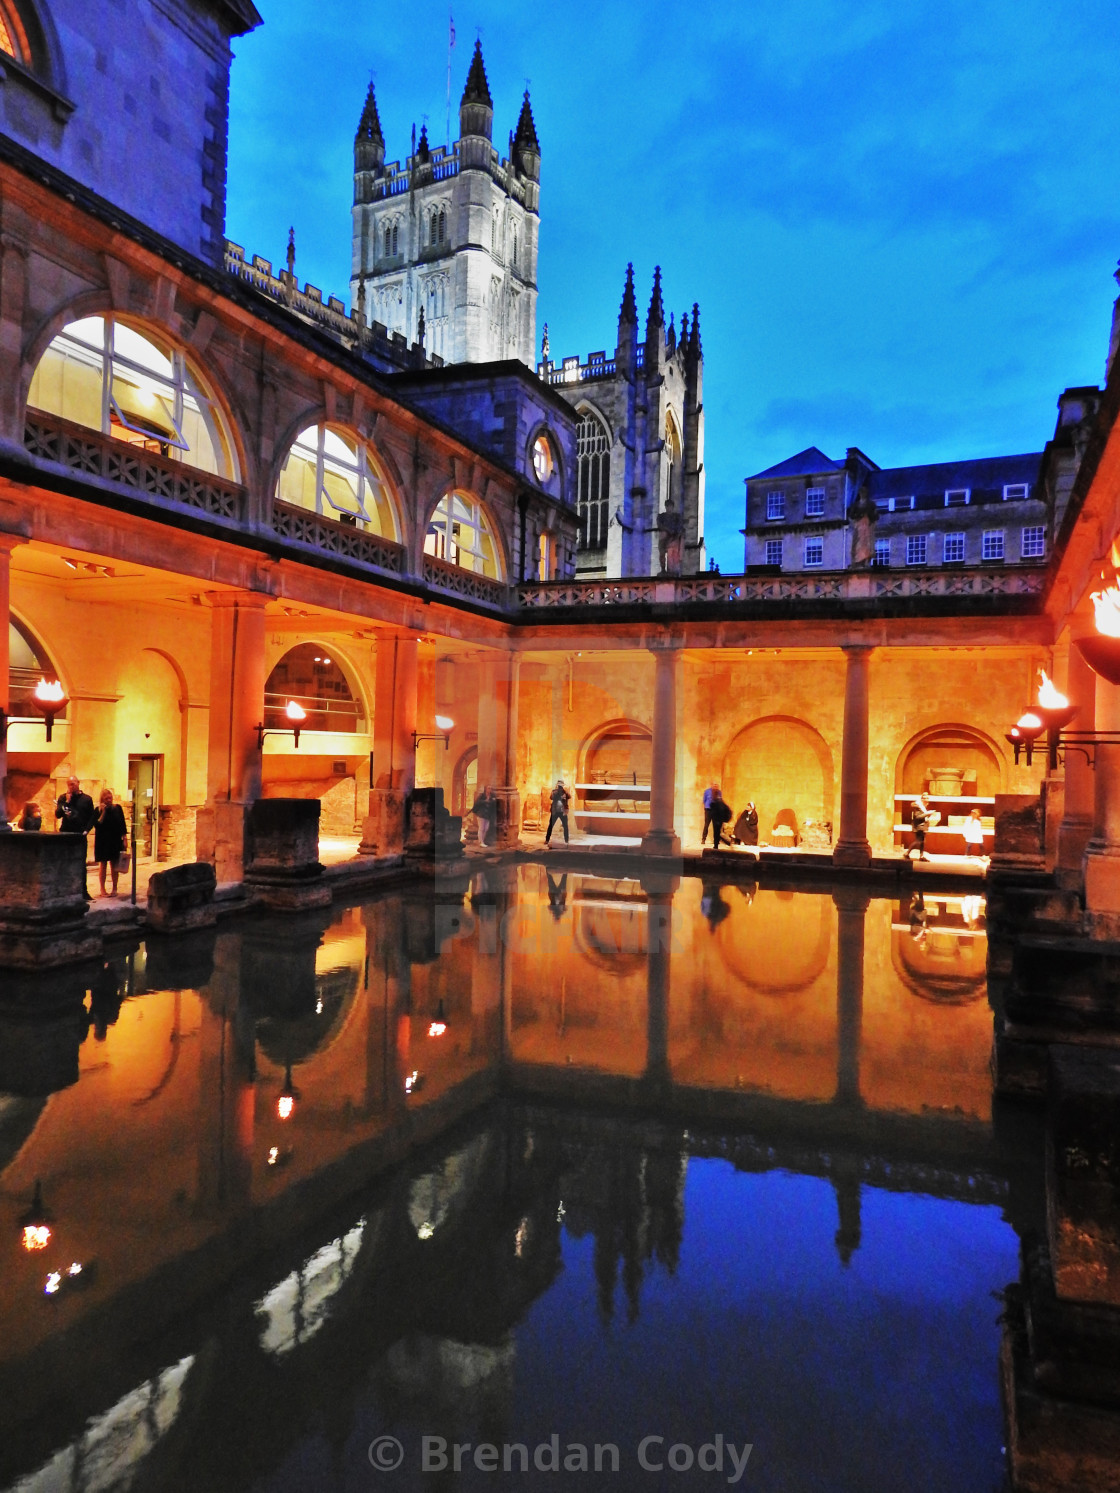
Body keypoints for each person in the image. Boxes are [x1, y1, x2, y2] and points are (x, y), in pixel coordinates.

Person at [93, 788, 128, 896]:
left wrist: (125, 839)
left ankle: (114, 888)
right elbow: (97, 825)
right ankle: (102, 889)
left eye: (110, 797)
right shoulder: (97, 810)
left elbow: (122, 824)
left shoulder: (118, 808)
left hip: (115, 839)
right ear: (102, 799)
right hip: (102, 840)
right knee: (103, 864)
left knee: (114, 864)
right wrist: (103, 812)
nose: (109, 800)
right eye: (106, 798)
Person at [545, 780, 571, 845]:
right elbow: (551, 797)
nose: (560, 788)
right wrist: (556, 792)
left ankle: (566, 840)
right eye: (559, 786)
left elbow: (569, 796)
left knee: (565, 826)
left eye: (561, 786)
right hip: (555, 811)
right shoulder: (554, 792)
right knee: (551, 825)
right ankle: (547, 839)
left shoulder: (565, 792)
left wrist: (564, 792)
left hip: (563, 812)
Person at [909, 793, 933, 861]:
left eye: (927, 798)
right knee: (918, 841)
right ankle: (907, 853)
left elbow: (924, 816)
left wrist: (928, 814)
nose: (926, 799)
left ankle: (921, 856)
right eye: (925, 798)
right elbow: (918, 817)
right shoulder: (918, 807)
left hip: (923, 826)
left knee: (922, 841)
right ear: (921, 799)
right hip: (919, 826)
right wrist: (927, 813)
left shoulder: (923, 807)